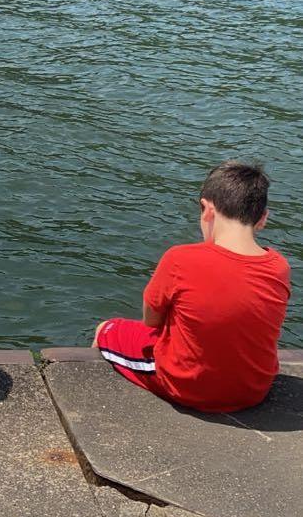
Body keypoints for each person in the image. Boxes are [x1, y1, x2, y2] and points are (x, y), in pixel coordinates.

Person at [94, 161, 291, 413]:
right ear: (263, 219)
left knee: (106, 329)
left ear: (206, 209)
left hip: (188, 387)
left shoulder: (180, 258)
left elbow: (151, 321)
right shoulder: (279, 266)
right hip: (254, 390)